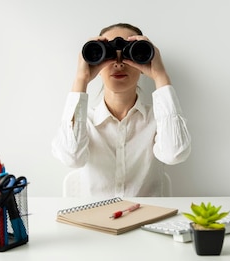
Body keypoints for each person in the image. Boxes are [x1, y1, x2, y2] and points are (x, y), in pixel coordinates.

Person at [51, 23, 191, 197]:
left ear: (143, 60)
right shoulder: (83, 121)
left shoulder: (159, 119)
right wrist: (82, 78)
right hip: (95, 220)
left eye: (128, 55)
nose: (118, 63)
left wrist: (160, 75)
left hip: (147, 218)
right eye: (108, 55)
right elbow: (71, 158)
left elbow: (174, 154)